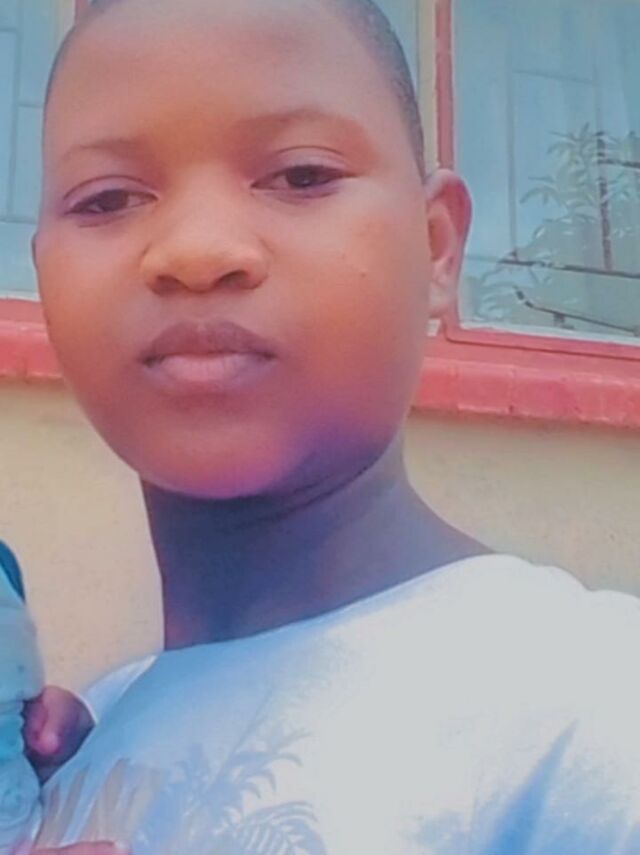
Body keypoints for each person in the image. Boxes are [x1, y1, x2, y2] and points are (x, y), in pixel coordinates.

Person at [24, 0, 640, 851]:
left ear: (437, 248)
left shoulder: (587, 706)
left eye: (301, 176)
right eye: (108, 198)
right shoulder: (74, 749)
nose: (196, 250)